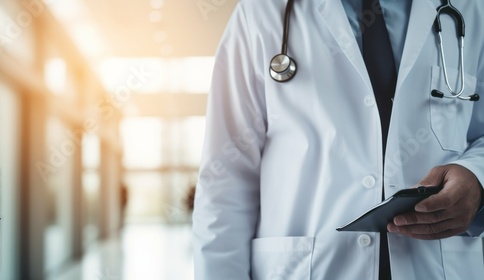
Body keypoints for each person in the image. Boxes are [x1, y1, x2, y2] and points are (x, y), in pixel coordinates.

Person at [193, 0, 484, 279]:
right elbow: (226, 177)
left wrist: (477, 177)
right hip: (310, 267)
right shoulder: (261, 12)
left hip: (436, 265)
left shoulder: (470, 9)